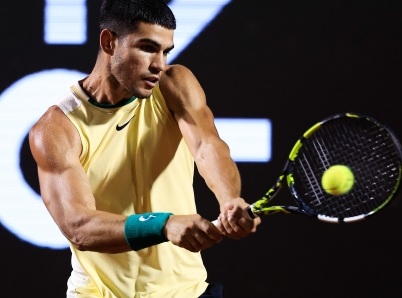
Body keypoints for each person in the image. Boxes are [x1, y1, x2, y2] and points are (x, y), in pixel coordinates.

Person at [29, 0, 260, 297]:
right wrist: (164, 225)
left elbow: (207, 146)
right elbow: (79, 226)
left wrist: (230, 200)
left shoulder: (174, 83)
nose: (159, 64)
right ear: (109, 42)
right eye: (148, 48)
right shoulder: (57, 128)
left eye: (166, 52)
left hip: (185, 291)